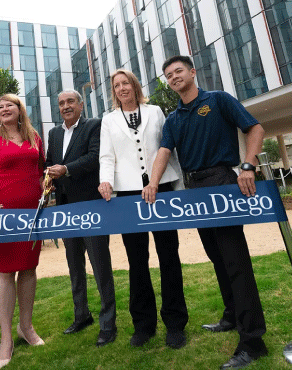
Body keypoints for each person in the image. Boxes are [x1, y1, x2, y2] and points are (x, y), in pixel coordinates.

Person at [142, 55, 267, 369]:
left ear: (192, 72)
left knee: (235, 261)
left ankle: (253, 342)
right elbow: (163, 152)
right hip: (194, 191)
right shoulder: (174, 118)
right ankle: (232, 316)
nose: (174, 78)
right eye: (169, 75)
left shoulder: (219, 100)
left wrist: (248, 166)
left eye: (179, 71)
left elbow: (255, 129)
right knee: (218, 258)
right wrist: (152, 183)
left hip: (222, 181)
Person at [99, 69, 189, 349]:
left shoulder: (156, 111)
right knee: (137, 262)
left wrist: (177, 186)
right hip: (127, 195)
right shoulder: (109, 119)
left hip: (160, 189)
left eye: (126, 83)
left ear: (135, 85)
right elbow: (106, 155)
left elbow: (168, 148)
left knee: (169, 257)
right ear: (113, 91)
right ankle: (143, 325)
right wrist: (106, 180)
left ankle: (175, 324)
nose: (122, 88)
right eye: (117, 85)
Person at [0, 93, 45, 369]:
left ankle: (25, 327)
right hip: (2, 212)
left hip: (33, 212)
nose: (4, 109)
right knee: (5, 271)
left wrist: (46, 190)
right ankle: (7, 338)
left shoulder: (34, 138)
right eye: (0, 106)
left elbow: (41, 171)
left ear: (20, 110)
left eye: (10, 105)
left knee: (29, 268)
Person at [45, 89, 117, 347]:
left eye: (70, 102)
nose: (65, 106)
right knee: (75, 267)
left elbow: (95, 157)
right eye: (61, 102)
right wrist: (50, 179)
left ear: (81, 104)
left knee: (100, 266)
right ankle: (81, 315)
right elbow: (50, 162)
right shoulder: (53, 133)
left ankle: (108, 324)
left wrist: (65, 170)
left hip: (91, 207)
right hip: (65, 209)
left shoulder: (95, 126)